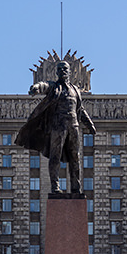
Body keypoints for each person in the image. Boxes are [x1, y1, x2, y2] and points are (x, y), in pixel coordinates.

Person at [16, 61, 96, 194]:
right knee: (55, 156)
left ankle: (76, 187)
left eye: (65, 68)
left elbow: (80, 109)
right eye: (59, 69)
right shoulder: (55, 87)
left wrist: (90, 124)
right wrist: (36, 87)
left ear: (69, 71)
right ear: (56, 72)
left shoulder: (75, 90)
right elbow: (44, 85)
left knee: (75, 157)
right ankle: (55, 187)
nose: (62, 71)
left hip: (73, 126)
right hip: (58, 127)